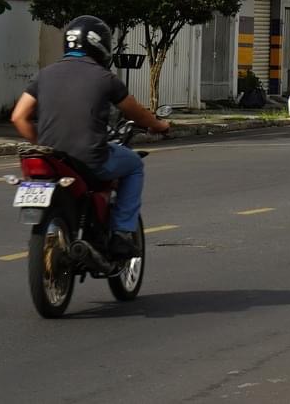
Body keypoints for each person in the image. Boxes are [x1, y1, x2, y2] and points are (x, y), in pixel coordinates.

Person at [11, 16, 171, 261]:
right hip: (90, 158)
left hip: (52, 159)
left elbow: (19, 117)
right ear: (101, 45)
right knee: (134, 165)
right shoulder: (105, 78)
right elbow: (136, 112)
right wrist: (159, 125)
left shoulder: (44, 75)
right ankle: (122, 232)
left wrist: (41, 145)